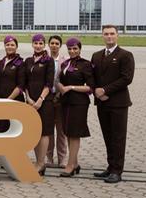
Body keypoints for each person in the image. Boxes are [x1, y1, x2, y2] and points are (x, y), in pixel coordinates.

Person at [91, 26, 135, 184]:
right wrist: (97, 91)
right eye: (106, 34)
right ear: (102, 36)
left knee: (118, 136)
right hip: (102, 103)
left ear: (117, 35)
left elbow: (126, 78)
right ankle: (110, 167)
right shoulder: (96, 56)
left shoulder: (125, 55)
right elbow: (92, 76)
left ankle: (117, 171)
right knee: (107, 135)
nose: (109, 37)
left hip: (118, 103)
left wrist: (105, 91)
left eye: (112, 34)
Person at [57, 38, 94, 178]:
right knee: (67, 132)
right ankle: (75, 163)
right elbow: (61, 81)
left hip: (79, 103)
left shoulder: (86, 65)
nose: (72, 51)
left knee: (75, 133)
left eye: (75, 49)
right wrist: (60, 86)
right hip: (65, 102)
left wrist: (71, 87)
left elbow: (90, 87)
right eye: (70, 49)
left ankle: (70, 165)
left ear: (80, 49)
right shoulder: (65, 63)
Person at [23, 34, 55, 175]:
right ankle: (37, 161)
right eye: (35, 43)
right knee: (35, 131)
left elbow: (49, 83)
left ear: (44, 44)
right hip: (30, 100)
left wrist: (40, 99)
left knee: (44, 132)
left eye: (40, 43)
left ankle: (42, 163)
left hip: (45, 101)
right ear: (32, 44)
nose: (38, 45)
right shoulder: (28, 60)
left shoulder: (48, 61)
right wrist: (29, 98)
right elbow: (25, 82)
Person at [47, 34, 69, 167]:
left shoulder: (65, 61)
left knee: (61, 131)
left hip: (61, 99)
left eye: (57, 43)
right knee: (48, 131)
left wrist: (59, 94)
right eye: (52, 43)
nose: (54, 45)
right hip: (48, 99)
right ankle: (49, 158)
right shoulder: (44, 60)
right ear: (48, 45)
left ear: (60, 46)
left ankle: (62, 158)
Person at [0, 36, 26, 133]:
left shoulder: (21, 63)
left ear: (16, 47)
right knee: (2, 130)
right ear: (4, 46)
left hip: (14, 101)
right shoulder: (0, 62)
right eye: (7, 45)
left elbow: (21, 85)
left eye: (12, 45)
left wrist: (8, 100)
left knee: (14, 131)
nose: (10, 47)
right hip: (1, 102)